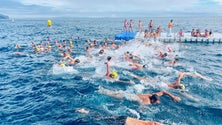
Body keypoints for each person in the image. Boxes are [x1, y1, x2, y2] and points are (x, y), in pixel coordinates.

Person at [98, 88, 181, 106]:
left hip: (130, 94)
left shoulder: (153, 94)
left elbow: (163, 92)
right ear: (152, 100)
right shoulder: (147, 101)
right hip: (127, 97)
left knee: (113, 92)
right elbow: (141, 108)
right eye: (156, 101)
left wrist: (173, 97)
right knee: (110, 94)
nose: (157, 102)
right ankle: (99, 90)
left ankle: (102, 90)